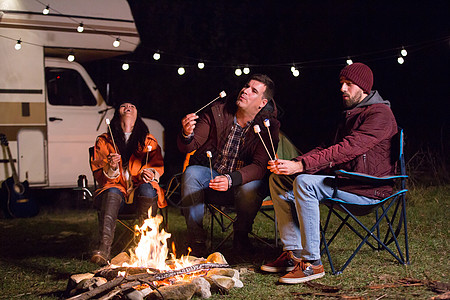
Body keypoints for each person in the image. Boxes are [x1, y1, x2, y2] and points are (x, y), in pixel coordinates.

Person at [261, 63, 398, 284]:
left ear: (364, 88)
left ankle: (312, 263)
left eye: (349, 84)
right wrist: (293, 163)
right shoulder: (350, 114)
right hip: (346, 182)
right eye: (341, 84)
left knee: (305, 182)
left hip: (368, 188)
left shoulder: (380, 114)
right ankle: (294, 254)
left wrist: (302, 167)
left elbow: (347, 148)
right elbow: (326, 148)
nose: (342, 89)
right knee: (279, 179)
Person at [177, 74, 280, 256]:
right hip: (214, 177)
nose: (245, 91)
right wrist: (186, 134)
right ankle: (197, 241)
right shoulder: (218, 112)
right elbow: (190, 146)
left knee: (252, 186)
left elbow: (259, 166)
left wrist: (231, 179)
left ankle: (241, 237)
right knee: (192, 173)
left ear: (262, 103)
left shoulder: (268, 126)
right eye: (246, 86)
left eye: (253, 91)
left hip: (244, 183)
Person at [90, 101, 165, 266]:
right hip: (116, 197)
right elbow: (101, 175)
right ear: (118, 113)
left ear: (137, 114)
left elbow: (157, 167)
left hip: (141, 195)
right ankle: (103, 249)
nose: (128, 107)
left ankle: (149, 249)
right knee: (112, 191)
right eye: (123, 106)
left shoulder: (148, 141)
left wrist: (150, 173)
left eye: (133, 105)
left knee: (148, 187)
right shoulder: (104, 141)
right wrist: (112, 166)